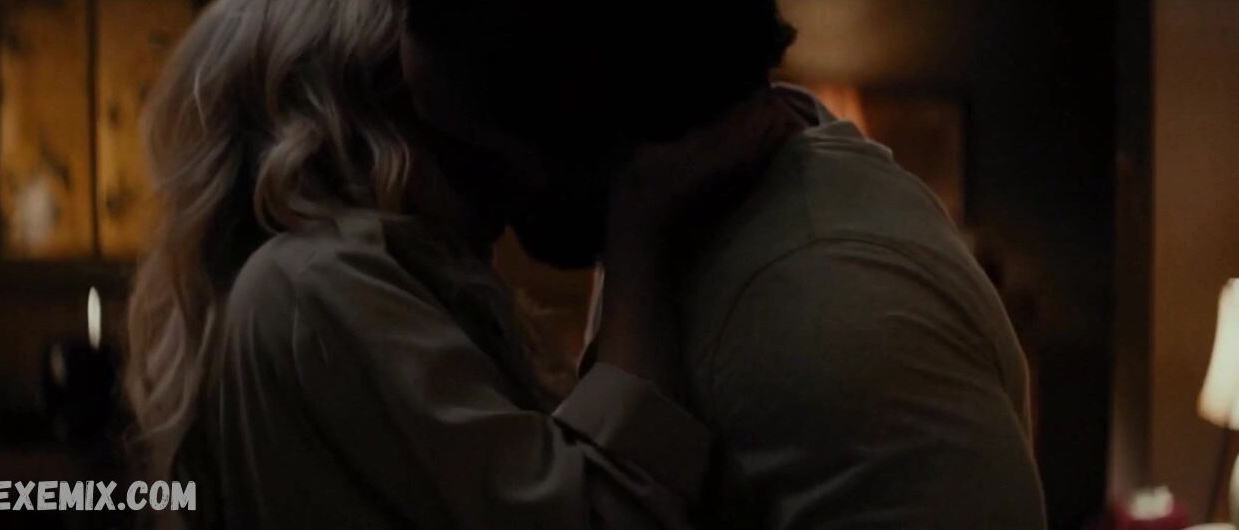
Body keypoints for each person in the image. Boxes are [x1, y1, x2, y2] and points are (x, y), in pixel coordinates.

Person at [123, 0, 785, 527]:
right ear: (367, 105)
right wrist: (638, 236)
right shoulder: (314, 283)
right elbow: (607, 510)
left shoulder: (350, 283)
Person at [401, 0, 1049, 528]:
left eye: (475, 157)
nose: (456, 198)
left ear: (581, 118)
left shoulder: (826, 314)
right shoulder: (671, 219)